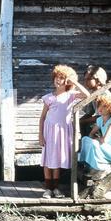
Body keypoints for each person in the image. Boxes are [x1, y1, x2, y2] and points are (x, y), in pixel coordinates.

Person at [39, 65, 90, 199]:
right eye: (56, 77)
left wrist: (74, 82)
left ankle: (55, 188)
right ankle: (48, 189)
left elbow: (87, 95)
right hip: (49, 131)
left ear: (67, 80)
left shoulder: (70, 96)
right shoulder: (49, 98)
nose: (58, 80)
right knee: (48, 159)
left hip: (62, 131)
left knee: (57, 159)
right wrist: (40, 135)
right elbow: (43, 117)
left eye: (62, 78)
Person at [78, 95, 111, 181]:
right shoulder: (100, 119)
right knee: (85, 139)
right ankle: (92, 166)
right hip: (106, 148)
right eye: (99, 105)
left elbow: (105, 140)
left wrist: (96, 140)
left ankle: (104, 167)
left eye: (104, 106)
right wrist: (94, 138)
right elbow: (91, 134)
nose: (100, 108)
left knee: (93, 143)